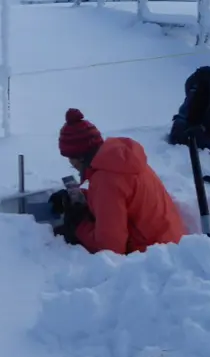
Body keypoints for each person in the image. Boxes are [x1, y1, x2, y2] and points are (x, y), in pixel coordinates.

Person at [49, 108, 186, 255]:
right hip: (173, 243)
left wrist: (78, 226)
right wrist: (82, 197)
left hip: (153, 258)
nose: (72, 164)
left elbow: (111, 250)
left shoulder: (106, 180)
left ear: (81, 157)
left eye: (71, 158)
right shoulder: (121, 161)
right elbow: (120, 198)